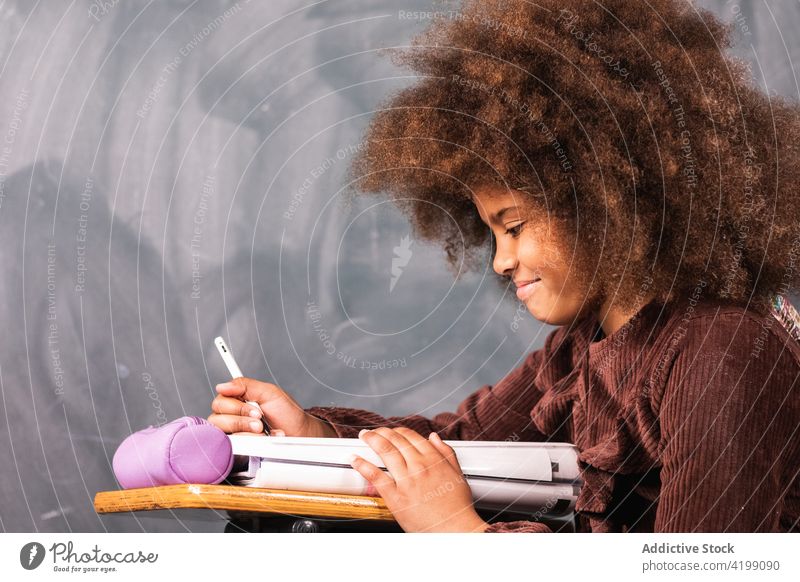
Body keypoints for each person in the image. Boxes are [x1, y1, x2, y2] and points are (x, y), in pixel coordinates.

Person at [208, 0, 800, 532]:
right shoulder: (581, 347)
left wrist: (456, 533)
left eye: (513, 227)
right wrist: (311, 434)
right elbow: (457, 445)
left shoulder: (724, 357)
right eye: (489, 232)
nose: (499, 260)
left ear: (602, 199)